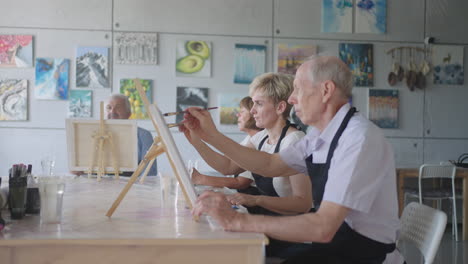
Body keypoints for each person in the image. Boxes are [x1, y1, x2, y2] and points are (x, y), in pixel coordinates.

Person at [182, 56, 400, 263]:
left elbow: (324, 226)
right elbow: (270, 164)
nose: (292, 98)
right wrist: (209, 135)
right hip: (336, 245)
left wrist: (237, 220)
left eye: (298, 88)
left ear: (326, 90)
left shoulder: (358, 139)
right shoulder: (319, 135)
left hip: (363, 254)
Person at [183, 73, 312, 217]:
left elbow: (302, 204)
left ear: (280, 107)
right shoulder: (261, 137)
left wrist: (256, 199)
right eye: (253, 103)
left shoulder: (294, 140)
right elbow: (227, 167)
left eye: (259, 103)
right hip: (267, 218)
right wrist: (198, 139)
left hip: (291, 226)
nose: (252, 111)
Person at [189, 96, 262, 190]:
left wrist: (200, 178)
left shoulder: (258, 141)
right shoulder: (249, 139)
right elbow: (227, 164)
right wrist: (197, 141)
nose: (237, 115)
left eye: (242, 111)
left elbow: (241, 182)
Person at [106, 94, 157, 176]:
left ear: (128, 113)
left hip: (132, 187)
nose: (112, 111)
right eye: (109, 107)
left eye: (118, 107)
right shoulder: (96, 135)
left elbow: (148, 173)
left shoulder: (144, 135)